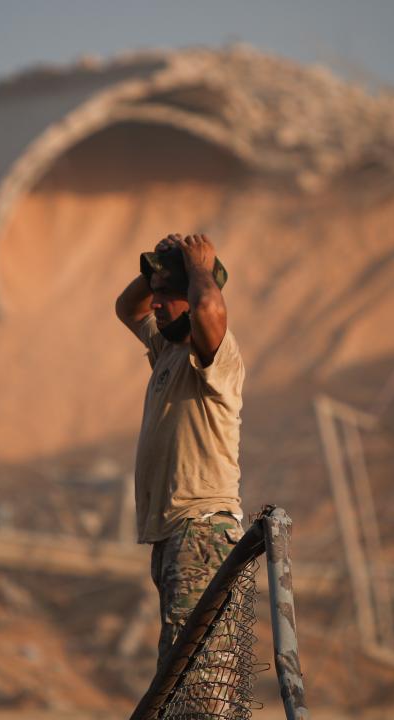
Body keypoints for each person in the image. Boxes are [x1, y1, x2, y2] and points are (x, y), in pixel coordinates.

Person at [114, 233, 246, 668]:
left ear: (189, 298)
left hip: (201, 529)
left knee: (194, 670)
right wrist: (157, 267)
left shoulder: (213, 355)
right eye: (156, 294)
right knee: (181, 664)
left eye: (166, 295)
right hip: (176, 532)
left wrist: (198, 267)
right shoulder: (169, 349)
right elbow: (127, 308)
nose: (155, 303)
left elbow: (209, 309)